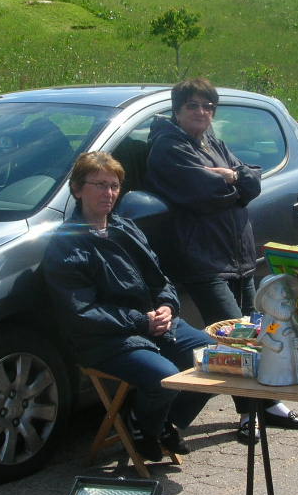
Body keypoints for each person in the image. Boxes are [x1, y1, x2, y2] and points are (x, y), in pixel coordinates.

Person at [145, 77, 298, 443]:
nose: (202, 112)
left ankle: (260, 407)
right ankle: (187, 421)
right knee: (230, 343)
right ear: (177, 110)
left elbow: (252, 181)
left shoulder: (211, 142)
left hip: (238, 255)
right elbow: (203, 193)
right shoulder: (168, 148)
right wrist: (236, 186)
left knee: (251, 336)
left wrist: (233, 176)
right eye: (193, 106)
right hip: (203, 260)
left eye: (208, 106)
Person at [43, 151, 216, 462]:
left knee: (217, 359)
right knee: (164, 378)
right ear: (78, 189)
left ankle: (160, 424)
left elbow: (159, 279)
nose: (108, 193)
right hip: (103, 338)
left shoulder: (126, 228)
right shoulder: (66, 243)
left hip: (151, 325)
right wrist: (142, 322)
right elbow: (82, 311)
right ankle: (146, 427)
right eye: (98, 185)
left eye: (113, 185)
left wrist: (167, 306)